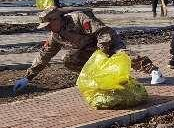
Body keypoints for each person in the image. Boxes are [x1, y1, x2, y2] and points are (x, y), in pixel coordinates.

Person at [12, 7, 164, 93]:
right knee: (69, 60)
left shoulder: (79, 18)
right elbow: (44, 55)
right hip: (89, 49)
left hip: (107, 41)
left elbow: (103, 32)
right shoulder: (56, 35)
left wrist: (102, 52)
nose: (48, 29)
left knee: (122, 56)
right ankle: (100, 78)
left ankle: (154, 72)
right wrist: (27, 78)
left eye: (49, 25)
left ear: (56, 19)